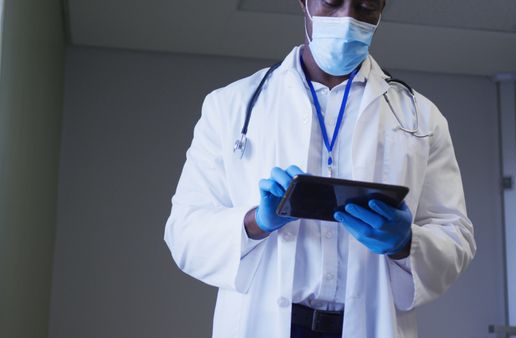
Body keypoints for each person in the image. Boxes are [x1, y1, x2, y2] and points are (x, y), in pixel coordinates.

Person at [164, 0, 476, 337]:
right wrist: (257, 221)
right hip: (269, 322)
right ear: (304, 2)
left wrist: (404, 242)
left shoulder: (422, 118)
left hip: (369, 323)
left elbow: (456, 237)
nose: (348, 17)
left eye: (366, 6)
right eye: (332, 2)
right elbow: (183, 231)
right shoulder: (231, 106)